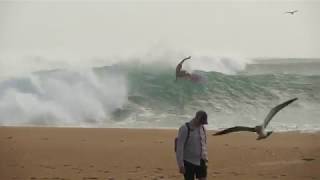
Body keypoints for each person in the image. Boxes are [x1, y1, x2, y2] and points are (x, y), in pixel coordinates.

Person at [176, 110, 208, 180]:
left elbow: (203, 144)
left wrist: (205, 158)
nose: (201, 124)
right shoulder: (185, 128)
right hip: (188, 162)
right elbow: (179, 147)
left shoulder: (202, 128)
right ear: (196, 118)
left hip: (201, 160)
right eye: (201, 122)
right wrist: (181, 165)